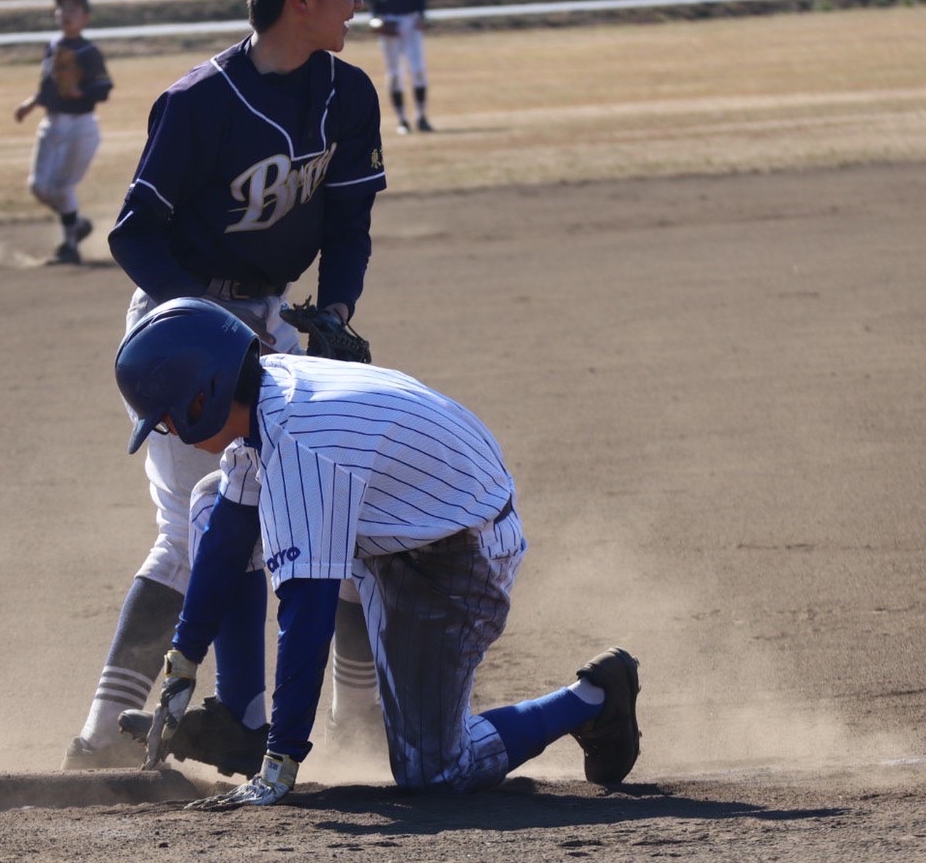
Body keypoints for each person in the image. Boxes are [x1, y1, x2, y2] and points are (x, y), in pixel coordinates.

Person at [61, 0, 396, 775]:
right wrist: (204, 323)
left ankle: (357, 723)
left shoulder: (347, 94)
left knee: (339, 509)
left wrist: (338, 310)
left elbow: (351, 217)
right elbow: (133, 236)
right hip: (182, 330)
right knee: (197, 530)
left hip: (282, 322)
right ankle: (105, 735)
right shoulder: (198, 103)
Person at [114, 298, 643, 807]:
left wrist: (283, 762)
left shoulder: (300, 443)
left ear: (200, 398)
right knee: (212, 500)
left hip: (458, 554)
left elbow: (308, 614)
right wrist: (182, 663)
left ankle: (593, 698)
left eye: (165, 418)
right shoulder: (269, 392)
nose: (170, 431)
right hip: (406, 522)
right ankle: (242, 718)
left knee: (434, 772)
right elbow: (228, 536)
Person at [14, 0, 113, 265]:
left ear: (85, 18)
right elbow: (49, 85)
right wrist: (31, 103)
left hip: (81, 127)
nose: (66, 15)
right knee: (39, 187)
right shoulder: (54, 45)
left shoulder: (89, 52)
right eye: (62, 9)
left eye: (73, 10)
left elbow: (103, 89)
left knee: (61, 188)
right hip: (51, 123)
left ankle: (70, 246)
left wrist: (82, 92)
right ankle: (77, 224)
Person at [363, 0, 433, 135]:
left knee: (418, 68)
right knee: (394, 74)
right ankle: (402, 119)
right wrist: (378, 24)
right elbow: (373, 7)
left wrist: (421, 16)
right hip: (390, 22)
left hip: (410, 20)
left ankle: (421, 116)